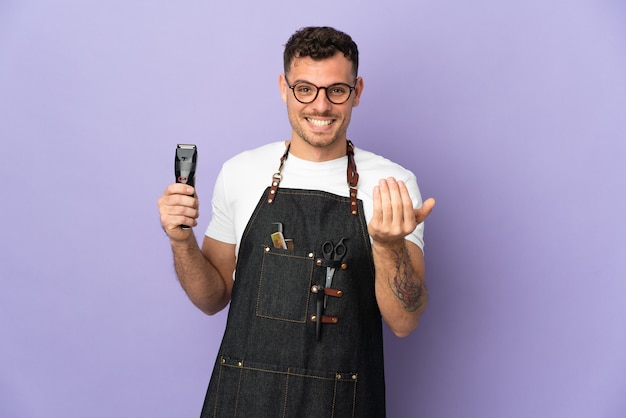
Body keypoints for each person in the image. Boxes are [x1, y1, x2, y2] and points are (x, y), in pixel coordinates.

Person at [158, 26, 435, 418]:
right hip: (244, 400)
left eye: (336, 90)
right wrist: (181, 241)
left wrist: (389, 247)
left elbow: (405, 322)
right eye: (305, 89)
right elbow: (212, 298)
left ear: (356, 92)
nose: (320, 106)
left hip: (343, 404)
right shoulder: (241, 172)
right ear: (284, 88)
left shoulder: (392, 185)